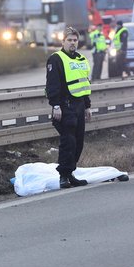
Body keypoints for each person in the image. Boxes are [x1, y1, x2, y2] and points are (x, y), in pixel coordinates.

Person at [45, 27, 93, 188]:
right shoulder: (56, 59)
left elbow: (84, 84)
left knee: (78, 142)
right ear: (63, 41)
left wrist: (87, 106)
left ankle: (70, 172)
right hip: (65, 106)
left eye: (75, 40)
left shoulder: (80, 59)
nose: (73, 43)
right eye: (69, 40)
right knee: (68, 141)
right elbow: (52, 85)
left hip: (79, 106)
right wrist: (56, 105)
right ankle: (63, 176)